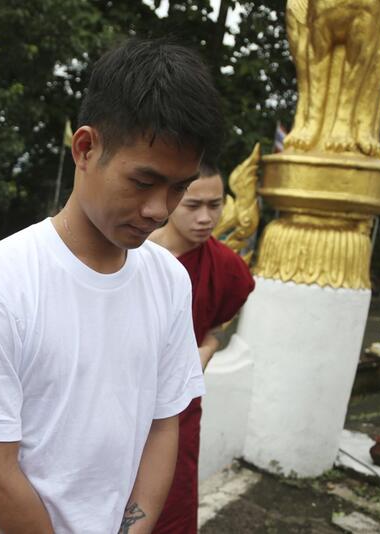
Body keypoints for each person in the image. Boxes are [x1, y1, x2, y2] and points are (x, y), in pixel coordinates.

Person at [0, 37, 223, 533]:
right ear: (86, 148)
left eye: (178, 187)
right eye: (143, 181)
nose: (159, 209)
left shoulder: (168, 280)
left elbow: (162, 421)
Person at [149, 164, 255, 534]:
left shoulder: (227, 267)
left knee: (171, 508)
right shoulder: (134, 254)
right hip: (119, 398)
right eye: (193, 205)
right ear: (171, 198)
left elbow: (212, 328)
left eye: (216, 204)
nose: (206, 218)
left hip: (179, 407)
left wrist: (208, 347)